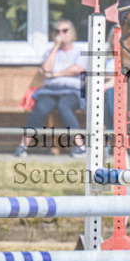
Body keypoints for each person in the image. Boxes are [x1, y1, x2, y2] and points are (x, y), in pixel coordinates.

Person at [15, 19, 87, 157]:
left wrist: (55, 74)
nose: (61, 34)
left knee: (64, 107)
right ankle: (23, 146)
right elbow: (46, 68)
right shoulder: (50, 51)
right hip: (50, 91)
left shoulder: (80, 51)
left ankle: (80, 146)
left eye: (65, 31)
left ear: (72, 33)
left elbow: (77, 69)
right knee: (40, 108)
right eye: (57, 31)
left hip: (72, 91)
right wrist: (55, 47)